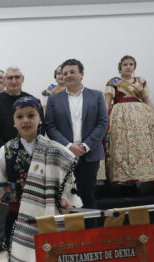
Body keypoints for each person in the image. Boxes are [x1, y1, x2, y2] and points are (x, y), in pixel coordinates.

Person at [0, 96, 81, 262]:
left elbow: (69, 182)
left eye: (31, 115)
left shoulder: (55, 150)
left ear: (40, 119)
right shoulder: (6, 150)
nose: (26, 121)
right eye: (20, 117)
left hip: (48, 219)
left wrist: (66, 199)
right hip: (16, 219)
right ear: (13, 122)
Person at [44, 58, 108, 210]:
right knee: (65, 198)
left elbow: (103, 123)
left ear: (82, 74)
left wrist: (86, 146)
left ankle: (91, 233)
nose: (68, 75)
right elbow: (50, 127)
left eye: (72, 72)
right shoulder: (53, 100)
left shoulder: (97, 95)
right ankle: (72, 233)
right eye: (64, 73)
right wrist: (69, 146)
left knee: (87, 196)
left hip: (89, 155)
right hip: (64, 155)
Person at [0, 67, 32, 255]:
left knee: (27, 199)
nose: (12, 81)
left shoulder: (30, 101)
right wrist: (9, 150)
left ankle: (26, 237)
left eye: (16, 77)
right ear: (4, 81)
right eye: (9, 78)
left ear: (22, 79)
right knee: (0, 199)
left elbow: (39, 129)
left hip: (28, 159)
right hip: (2, 157)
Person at [104, 55, 154, 184]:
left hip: (141, 116)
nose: (128, 67)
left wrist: (153, 117)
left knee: (143, 145)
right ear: (120, 66)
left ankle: (146, 172)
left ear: (134, 66)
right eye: (125, 64)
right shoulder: (113, 82)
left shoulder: (140, 81)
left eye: (131, 64)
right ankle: (126, 174)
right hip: (120, 116)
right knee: (124, 144)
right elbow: (107, 102)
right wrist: (104, 118)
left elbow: (147, 100)